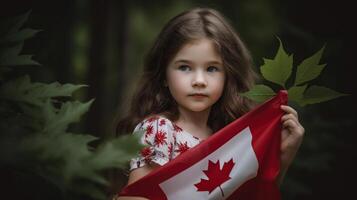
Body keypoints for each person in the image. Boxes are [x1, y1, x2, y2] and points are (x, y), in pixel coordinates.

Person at [114, 7, 304, 200]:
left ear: (228, 75)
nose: (199, 80)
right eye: (184, 67)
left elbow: (256, 194)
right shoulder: (159, 130)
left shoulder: (231, 141)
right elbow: (134, 197)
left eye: (212, 68)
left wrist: (282, 157)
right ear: (164, 75)